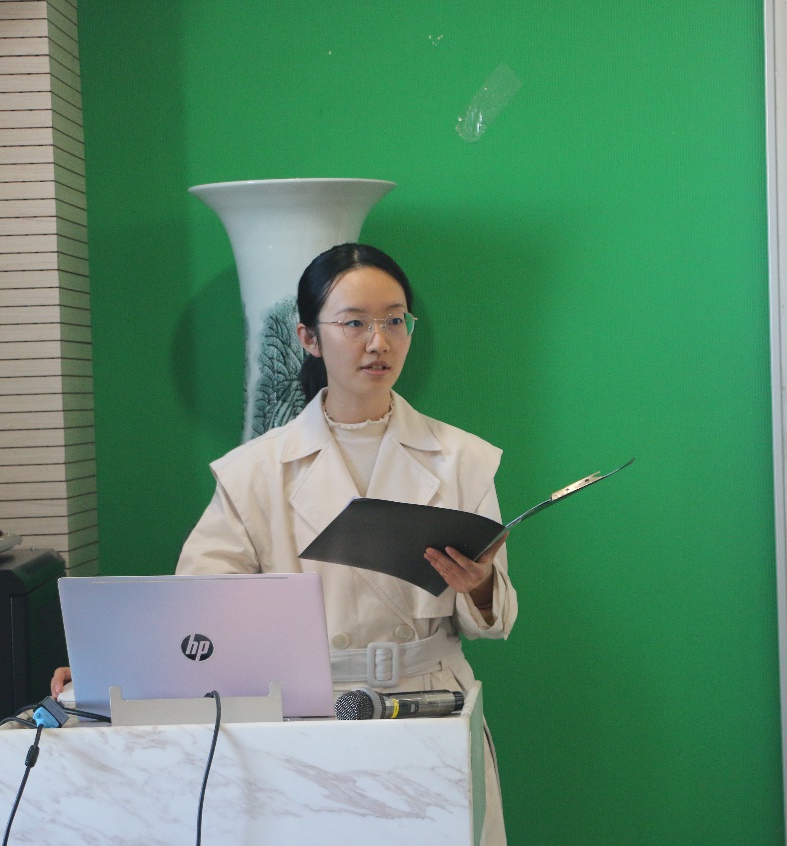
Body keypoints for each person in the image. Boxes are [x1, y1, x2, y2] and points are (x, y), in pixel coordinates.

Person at [52, 243, 516, 844]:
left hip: (430, 707)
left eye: (395, 320)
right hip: (303, 716)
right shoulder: (253, 472)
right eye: (354, 323)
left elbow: (490, 624)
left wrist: (480, 587)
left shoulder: (463, 459)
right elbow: (197, 616)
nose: (379, 342)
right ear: (309, 338)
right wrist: (110, 673)